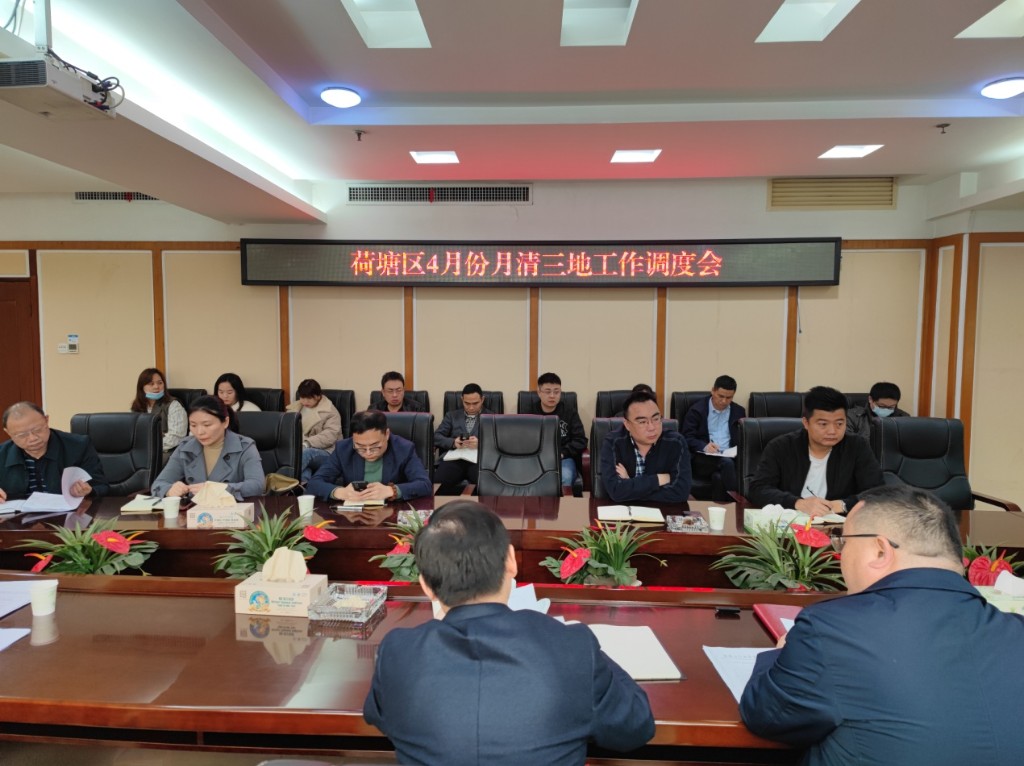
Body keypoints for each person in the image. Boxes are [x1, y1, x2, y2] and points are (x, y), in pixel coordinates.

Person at [740, 485, 1024, 764]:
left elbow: (766, 715)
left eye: (844, 542)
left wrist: (780, 652)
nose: (841, 555)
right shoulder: (1017, 631)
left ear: (879, 551)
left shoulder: (831, 630)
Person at [364, 500, 655, 765]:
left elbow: (380, 716)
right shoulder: (571, 646)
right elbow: (636, 727)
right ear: (511, 562)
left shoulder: (397, 653)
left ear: (426, 586)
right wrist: (588, 651)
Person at [747, 385, 882, 516]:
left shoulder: (857, 447)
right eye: (823, 424)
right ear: (806, 423)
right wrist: (798, 503)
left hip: (839, 524)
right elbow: (758, 489)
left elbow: (878, 492)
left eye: (839, 424)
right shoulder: (781, 447)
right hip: (789, 523)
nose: (832, 431)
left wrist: (842, 505)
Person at [150, 395, 265, 500]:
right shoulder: (185, 447)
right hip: (194, 513)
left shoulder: (245, 446)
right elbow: (159, 484)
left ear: (225, 422)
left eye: (207, 425)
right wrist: (169, 490)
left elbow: (257, 485)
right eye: (193, 425)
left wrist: (218, 490)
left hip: (231, 512)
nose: (199, 432)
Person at [307, 410, 431, 502]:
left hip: (392, 514)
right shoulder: (344, 449)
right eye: (360, 447)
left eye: (375, 446)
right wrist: (340, 492)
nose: (368, 453)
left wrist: (391, 491)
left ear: (387, 434)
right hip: (354, 516)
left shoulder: (404, 448)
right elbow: (314, 483)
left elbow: (424, 484)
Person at [0, 402, 108, 500]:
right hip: (17, 515)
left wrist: (89, 490)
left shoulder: (78, 446)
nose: (32, 438)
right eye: (22, 435)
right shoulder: (2, 454)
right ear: (8, 432)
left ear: (46, 420)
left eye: (37, 430)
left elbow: (102, 486)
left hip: (67, 514)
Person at [600, 390, 692, 503]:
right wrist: (659, 479)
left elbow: (681, 492)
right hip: (624, 511)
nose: (652, 427)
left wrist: (630, 484)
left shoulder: (676, 442)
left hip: (663, 510)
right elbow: (616, 491)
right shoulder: (613, 442)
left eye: (656, 419)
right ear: (627, 425)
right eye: (642, 422)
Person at [681, 374, 745, 502]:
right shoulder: (697, 410)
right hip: (704, 459)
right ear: (713, 391)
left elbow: (745, 437)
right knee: (727, 463)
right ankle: (739, 502)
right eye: (721, 396)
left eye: (729, 398)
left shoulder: (739, 411)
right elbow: (686, 438)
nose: (724, 401)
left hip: (730, 458)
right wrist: (704, 446)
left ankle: (722, 508)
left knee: (719, 477)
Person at [526, 372, 586, 489]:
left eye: (556, 392)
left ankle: (562, 502)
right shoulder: (529, 413)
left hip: (563, 458)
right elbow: (522, 439)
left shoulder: (570, 412)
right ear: (539, 392)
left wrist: (562, 453)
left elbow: (580, 440)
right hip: (535, 458)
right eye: (548, 392)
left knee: (566, 476)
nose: (552, 396)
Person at [433, 383, 492, 495]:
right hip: (454, 458)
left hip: (479, 461)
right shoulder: (451, 416)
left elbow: (500, 442)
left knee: (486, 485)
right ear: (462, 400)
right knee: (437, 483)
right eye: (467, 403)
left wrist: (481, 444)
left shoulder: (491, 417)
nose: (471, 407)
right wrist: (453, 442)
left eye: (475, 403)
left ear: (482, 399)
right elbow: (436, 437)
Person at [285, 379, 341, 482]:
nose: (305, 401)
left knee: (305, 453)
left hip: (327, 451)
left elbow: (329, 436)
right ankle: (302, 487)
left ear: (318, 396)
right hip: (298, 448)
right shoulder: (295, 408)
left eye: (309, 398)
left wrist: (307, 443)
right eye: (302, 397)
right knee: (305, 467)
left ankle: (283, 481)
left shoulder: (330, 411)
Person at [130, 367, 187, 460]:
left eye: (160, 383)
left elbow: (176, 438)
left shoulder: (173, 405)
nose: (156, 387)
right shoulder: (137, 407)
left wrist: (148, 446)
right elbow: (132, 434)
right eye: (151, 384)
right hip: (141, 452)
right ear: (142, 387)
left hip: (166, 453)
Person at [845, 381, 910, 441]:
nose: (886, 410)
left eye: (891, 407)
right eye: (882, 406)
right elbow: (848, 443)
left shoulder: (904, 418)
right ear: (870, 399)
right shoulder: (851, 416)